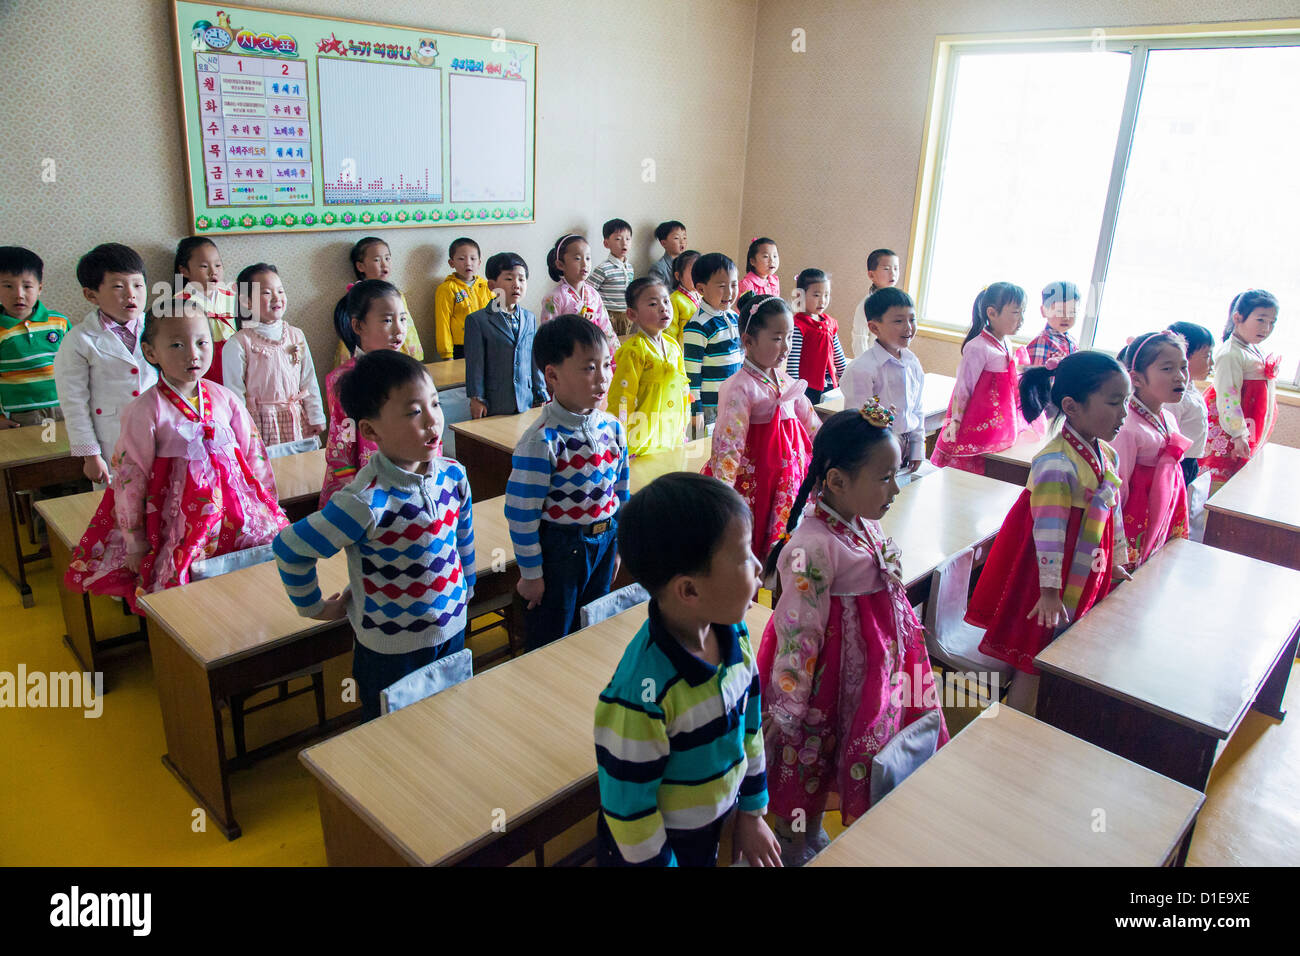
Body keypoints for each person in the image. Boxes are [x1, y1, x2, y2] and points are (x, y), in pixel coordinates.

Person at [758, 402, 949, 864]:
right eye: (884, 477)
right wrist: (789, 702)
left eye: (897, 473)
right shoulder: (812, 546)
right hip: (824, 682)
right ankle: (791, 842)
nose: (896, 487)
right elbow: (796, 629)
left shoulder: (860, 522)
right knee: (806, 762)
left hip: (868, 674)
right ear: (838, 481)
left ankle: (811, 834)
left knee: (840, 758)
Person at [274, 350, 473, 722]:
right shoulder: (364, 502)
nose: (433, 421)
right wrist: (315, 607)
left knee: (449, 724)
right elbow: (289, 548)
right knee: (391, 739)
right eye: (414, 412)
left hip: (452, 631)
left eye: (434, 403)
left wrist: (468, 587)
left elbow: (463, 536)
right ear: (369, 430)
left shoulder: (453, 475)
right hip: (390, 650)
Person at [594, 472, 781, 867]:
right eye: (745, 556)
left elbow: (750, 728)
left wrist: (752, 812)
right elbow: (631, 816)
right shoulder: (642, 695)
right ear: (690, 591)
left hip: (712, 823)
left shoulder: (735, 635)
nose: (759, 564)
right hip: (652, 848)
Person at [65, 300, 287, 612]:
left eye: (201, 342)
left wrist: (269, 503)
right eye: (177, 344)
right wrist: (135, 541)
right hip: (180, 520)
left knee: (253, 572)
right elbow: (130, 479)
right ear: (151, 352)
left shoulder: (225, 398)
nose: (193, 354)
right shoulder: (144, 410)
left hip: (238, 512)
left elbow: (254, 456)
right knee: (189, 592)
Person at [965, 352, 1132, 712]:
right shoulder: (1056, 462)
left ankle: (1049, 713)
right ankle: (1019, 726)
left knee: (1064, 645)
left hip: (1085, 562)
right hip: (1046, 575)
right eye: (1115, 402)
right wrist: (1050, 590)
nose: (1123, 414)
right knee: (1035, 656)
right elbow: (1050, 531)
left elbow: (1111, 514)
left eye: (1126, 403)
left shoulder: (1107, 454)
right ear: (1071, 406)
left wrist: (1115, 559)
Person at [506, 315, 628, 650]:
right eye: (589, 368)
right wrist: (531, 575)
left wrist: (618, 545)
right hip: (561, 549)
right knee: (553, 634)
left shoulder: (613, 428)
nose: (602, 378)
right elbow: (521, 514)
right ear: (552, 376)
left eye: (606, 365)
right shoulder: (542, 441)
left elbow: (620, 491)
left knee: (593, 625)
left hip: (604, 543)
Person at [703, 293, 819, 563]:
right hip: (755, 486)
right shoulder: (739, 387)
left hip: (788, 481)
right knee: (750, 550)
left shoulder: (786, 380)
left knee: (788, 547)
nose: (786, 346)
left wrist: (832, 450)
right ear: (748, 342)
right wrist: (724, 497)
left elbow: (812, 424)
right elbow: (727, 446)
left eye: (790, 337)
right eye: (777, 338)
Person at [53, 243, 158, 485]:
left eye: (138, 285)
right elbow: (74, 403)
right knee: (118, 510)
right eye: (119, 287)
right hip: (111, 439)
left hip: (160, 434)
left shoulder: (158, 327)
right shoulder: (79, 340)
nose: (131, 294)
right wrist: (90, 455)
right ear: (91, 294)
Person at [321, 279, 420, 508]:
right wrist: (355, 489)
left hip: (406, 473)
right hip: (362, 483)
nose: (399, 329)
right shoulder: (343, 379)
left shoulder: (411, 373)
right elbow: (341, 442)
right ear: (358, 326)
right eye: (387, 320)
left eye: (402, 319)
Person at [929, 282, 1031, 474]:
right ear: (992, 313)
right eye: (1016, 312)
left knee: (993, 465)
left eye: (1023, 312)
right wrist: (956, 421)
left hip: (999, 419)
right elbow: (963, 387)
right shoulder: (978, 347)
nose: (1022, 319)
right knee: (968, 469)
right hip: (977, 418)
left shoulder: (1006, 342)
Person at [222, 263, 325, 445]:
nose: (276, 297)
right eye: (267, 292)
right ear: (247, 301)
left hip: (296, 420)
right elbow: (234, 394)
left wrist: (316, 415)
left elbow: (309, 379)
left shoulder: (296, 335)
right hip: (260, 425)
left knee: (299, 470)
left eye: (280, 290)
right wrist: (242, 429)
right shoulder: (239, 343)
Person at [1112, 331, 1191, 569]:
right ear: (1136, 378)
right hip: (1134, 520)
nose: (1180, 377)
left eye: (1183, 367)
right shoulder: (1126, 428)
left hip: (1165, 508)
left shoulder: (1167, 417)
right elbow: (1118, 488)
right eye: (1167, 369)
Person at [1200, 289, 1280, 487]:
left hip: (1249, 430)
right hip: (1232, 433)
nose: (1267, 327)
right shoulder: (1231, 354)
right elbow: (1228, 398)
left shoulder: (1253, 349)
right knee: (1219, 485)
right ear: (1238, 317)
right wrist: (1238, 434)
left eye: (1272, 322)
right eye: (1261, 319)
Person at [842, 287, 926, 474]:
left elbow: (917, 409)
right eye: (898, 321)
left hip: (906, 449)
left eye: (912, 319)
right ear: (874, 327)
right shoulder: (862, 368)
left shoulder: (912, 362)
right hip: (875, 449)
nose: (908, 327)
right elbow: (858, 419)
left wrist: (917, 448)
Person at [607, 277, 690, 457]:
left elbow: (684, 390)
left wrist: (683, 427)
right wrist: (621, 438)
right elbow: (622, 398)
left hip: (670, 435)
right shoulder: (634, 351)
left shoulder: (673, 346)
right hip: (641, 438)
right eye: (653, 304)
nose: (663, 307)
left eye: (666, 301)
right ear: (632, 314)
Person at [463, 252, 547, 418]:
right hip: (495, 401)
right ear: (492, 285)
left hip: (526, 399)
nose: (516, 285)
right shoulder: (477, 320)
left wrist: (540, 391)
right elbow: (475, 364)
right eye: (509, 279)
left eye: (521, 279)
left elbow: (534, 359)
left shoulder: (529, 318)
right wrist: (476, 398)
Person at [0, 246, 68, 428]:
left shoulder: (59, 322)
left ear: (39, 288)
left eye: (27, 286)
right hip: (22, 414)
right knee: (34, 456)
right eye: (8, 286)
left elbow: (79, 364)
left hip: (65, 407)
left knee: (68, 455)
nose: (19, 294)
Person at [330, 236, 426, 366]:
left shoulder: (398, 295)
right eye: (377, 260)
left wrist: (413, 355)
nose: (384, 264)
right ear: (360, 266)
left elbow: (407, 327)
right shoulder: (358, 296)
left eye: (387, 258)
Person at [681, 252, 741, 436]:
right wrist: (696, 410)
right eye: (722, 286)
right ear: (700, 289)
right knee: (706, 452)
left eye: (733, 284)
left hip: (734, 400)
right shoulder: (697, 326)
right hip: (709, 407)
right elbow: (691, 374)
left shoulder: (734, 317)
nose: (730, 293)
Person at [539, 234, 619, 359]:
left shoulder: (593, 295)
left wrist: (616, 355)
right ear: (560, 264)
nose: (584, 264)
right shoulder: (554, 298)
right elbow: (548, 335)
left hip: (595, 356)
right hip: (569, 358)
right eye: (577, 258)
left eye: (588, 258)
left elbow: (606, 328)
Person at [172, 236, 238, 383]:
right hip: (201, 366)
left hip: (236, 365)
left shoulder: (233, 298)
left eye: (218, 265)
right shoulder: (179, 302)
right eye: (204, 266)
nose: (213, 272)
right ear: (184, 271)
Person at [787, 267, 846, 404]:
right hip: (808, 387)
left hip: (830, 382)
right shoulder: (799, 325)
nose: (822, 301)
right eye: (816, 295)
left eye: (826, 295)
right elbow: (793, 363)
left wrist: (846, 378)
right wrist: (795, 392)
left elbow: (838, 355)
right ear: (800, 295)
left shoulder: (830, 323)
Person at [1166, 321, 1215, 488]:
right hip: (1177, 463)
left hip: (1190, 462)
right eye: (1207, 356)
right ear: (1184, 356)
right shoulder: (1173, 396)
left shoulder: (1190, 387)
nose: (1212, 363)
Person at [434, 236, 492, 360]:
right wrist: (446, 354)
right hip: (461, 347)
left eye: (473, 258)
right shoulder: (447, 288)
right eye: (461, 259)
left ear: (479, 262)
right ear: (451, 263)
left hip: (487, 342)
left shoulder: (486, 286)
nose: (468, 263)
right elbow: (442, 322)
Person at [588, 218, 635, 336]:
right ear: (606, 243)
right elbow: (589, 291)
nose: (624, 243)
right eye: (618, 239)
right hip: (609, 316)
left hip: (626, 314)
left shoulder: (629, 267)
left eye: (628, 239)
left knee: (623, 344)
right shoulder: (603, 268)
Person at [851, 248, 900, 357]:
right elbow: (860, 337)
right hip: (873, 362)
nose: (893, 273)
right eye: (886, 269)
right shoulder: (867, 304)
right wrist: (865, 364)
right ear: (871, 275)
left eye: (896, 268)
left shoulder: (900, 302)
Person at [1023, 280, 1080, 368]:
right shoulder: (1042, 341)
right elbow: (1037, 376)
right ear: (1044, 311)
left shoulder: (1072, 341)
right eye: (1059, 311)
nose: (1066, 317)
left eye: (1072, 312)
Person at [667, 249, 701, 345]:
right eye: (693, 273)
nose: (697, 277)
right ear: (678, 276)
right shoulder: (674, 299)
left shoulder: (703, 296)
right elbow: (670, 332)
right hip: (683, 351)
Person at [649, 220, 687, 291]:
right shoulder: (658, 268)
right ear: (663, 243)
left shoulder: (688, 263)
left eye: (684, 238)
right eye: (676, 238)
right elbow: (656, 292)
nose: (682, 242)